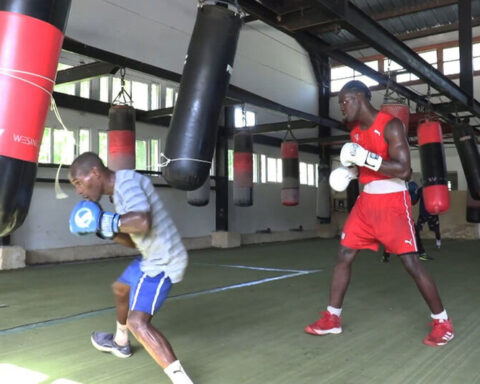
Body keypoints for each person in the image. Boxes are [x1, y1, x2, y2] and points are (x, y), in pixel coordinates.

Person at [304, 80, 454, 346]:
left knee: (411, 263)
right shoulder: (355, 134)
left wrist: (366, 159)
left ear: (360, 97)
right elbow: (363, 169)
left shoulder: (391, 125)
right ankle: (332, 318)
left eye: (344, 101)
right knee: (344, 254)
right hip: (366, 203)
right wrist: (348, 173)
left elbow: (404, 170)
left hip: (393, 202)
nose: (341, 108)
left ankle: (442, 321)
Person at [68, 152, 194, 384]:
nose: (79, 191)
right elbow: (133, 239)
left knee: (138, 322)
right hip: (149, 256)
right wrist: (107, 231)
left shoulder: (127, 184)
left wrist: (107, 221)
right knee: (122, 288)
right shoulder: (119, 192)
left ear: (95, 172)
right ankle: (121, 342)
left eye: (78, 182)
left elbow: (143, 223)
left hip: (163, 260)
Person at [410, 183, 441, 261]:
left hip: (432, 213)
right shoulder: (421, 190)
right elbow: (414, 202)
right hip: (423, 214)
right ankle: (416, 247)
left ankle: (438, 242)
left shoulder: (434, 189)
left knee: (436, 230)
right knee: (417, 230)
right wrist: (411, 193)